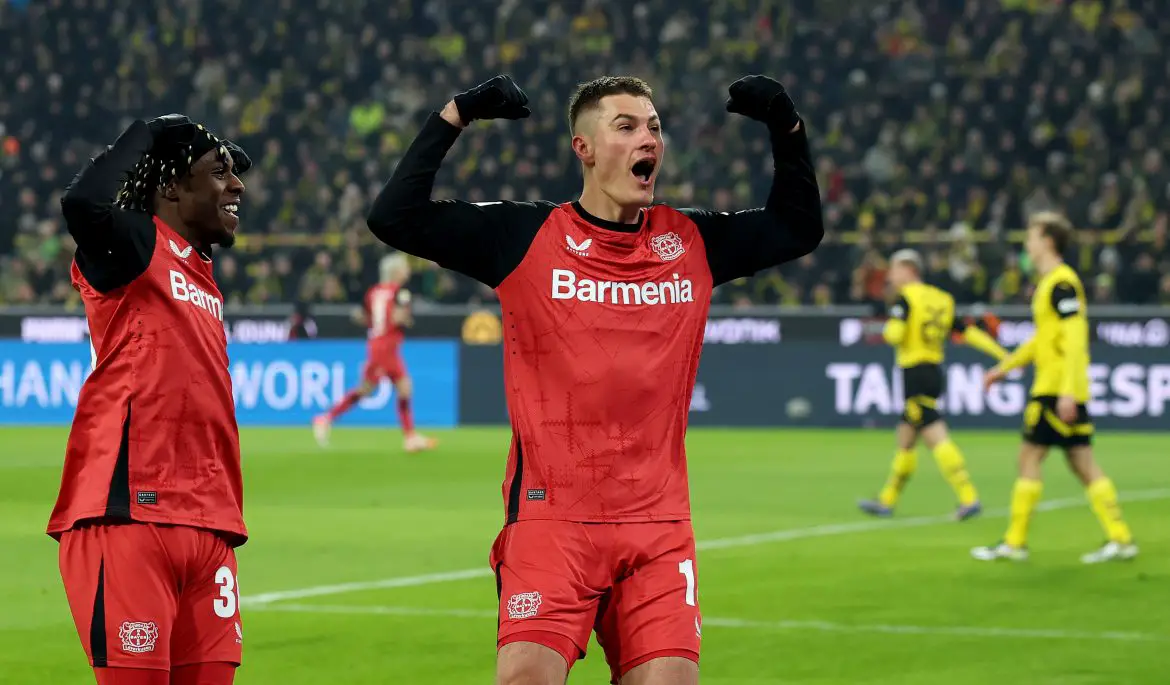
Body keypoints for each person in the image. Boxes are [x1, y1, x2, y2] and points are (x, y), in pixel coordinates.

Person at [366, 74, 824, 685]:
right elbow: (394, 216)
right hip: (551, 522)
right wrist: (456, 114)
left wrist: (787, 129)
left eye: (655, 128)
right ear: (583, 148)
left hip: (658, 528)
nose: (649, 139)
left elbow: (799, 227)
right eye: (627, 126)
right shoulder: (525, 236)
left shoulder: (692, 242)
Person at [48, 114, 251, 685]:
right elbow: (82, 204)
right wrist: (150, 132)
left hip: (210, 525)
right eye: (219, 173)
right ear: (171, 189)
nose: (237, 186)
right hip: (131, 514)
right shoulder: (134, 246)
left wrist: (209, 155)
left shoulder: (201, 271)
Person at [973, 212, 1137, 563]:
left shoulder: (1062, 283)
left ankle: (1015, 543)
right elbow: (1041, 341)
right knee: (1083, 463)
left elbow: (1076, 338)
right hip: (1064, 386)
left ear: (1047, 241)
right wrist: (1003, 369)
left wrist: (1065, 391)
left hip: (1054, 389)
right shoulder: (1050, 283)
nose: (1027, 245)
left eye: (1031, 237)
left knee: (1029, 457)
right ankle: (1121, 538)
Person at [858, 249, 1008, 520]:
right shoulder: (942, 299)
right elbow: (967, 332)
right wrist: (1002, 355)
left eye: (894, 269)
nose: (891, 276)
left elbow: (896, 335)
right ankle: (887, 500)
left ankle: (968, 497)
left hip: (914, 372)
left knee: (935, 435)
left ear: (908, 270)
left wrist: (885, 329)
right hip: (934, 370)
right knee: (905, 438)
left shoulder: (905, 299)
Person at [313, 253, 437, 452]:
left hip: (377, 344)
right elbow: (398, 318)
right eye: (405, 268)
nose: (408, 271)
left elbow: (365, 318)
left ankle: (410, 437)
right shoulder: (400, 292)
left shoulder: (373, 292)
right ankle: (325, 418)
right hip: (387, 347)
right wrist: (408, 320)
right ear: (396, 271)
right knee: (387, 388)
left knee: (381, 388)